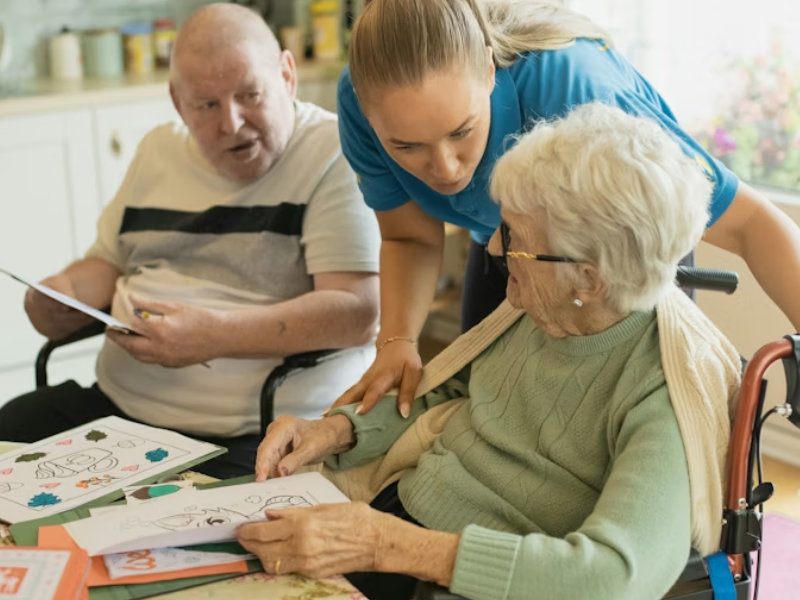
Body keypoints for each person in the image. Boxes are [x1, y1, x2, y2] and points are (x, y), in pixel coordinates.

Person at [237, 104, 742, 600]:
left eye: (514, 237)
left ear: (588, 279)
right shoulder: (544, 311)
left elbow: (613, 578)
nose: (498, 254)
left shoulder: (664, 390)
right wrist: (336, 430)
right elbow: (447, 390)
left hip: (461, 576)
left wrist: (384, 544)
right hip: (396, 523)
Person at [331, 0, 800, 418]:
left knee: (615, 428)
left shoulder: (580, 96)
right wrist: (397, 341)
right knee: (485, 409)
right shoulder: (360, 101)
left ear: (490, 72)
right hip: (506, 241)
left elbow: (752, 224)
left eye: (461, 131)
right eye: (407, 146)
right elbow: (409, 236)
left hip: (623, 250)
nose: (445, 168)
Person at [0, 3, 381, 479]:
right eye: (206, 104)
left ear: (287, 75)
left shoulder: (334, 151)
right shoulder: (158, 149)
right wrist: (61, 296)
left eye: (250, 94)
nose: (233, 123)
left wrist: (213, 337)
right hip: (117, 410)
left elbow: (356, 313)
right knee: (12, 429)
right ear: (178, 102)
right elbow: (107, 263)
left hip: (256, 433)